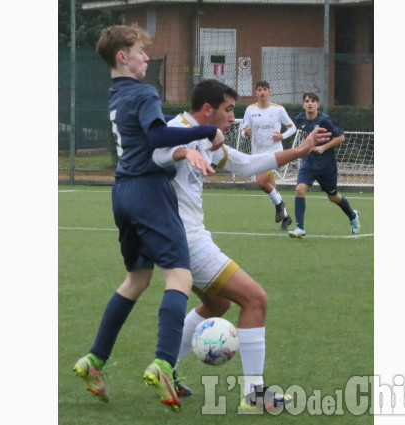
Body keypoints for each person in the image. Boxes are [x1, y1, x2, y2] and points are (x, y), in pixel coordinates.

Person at [151, 79, 331, 410]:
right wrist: (185, 150)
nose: (234, 117)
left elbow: (246, 164)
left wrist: (300, 150)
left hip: (182, 235)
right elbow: (156, 152)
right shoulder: (178, 128)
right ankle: (255, 393)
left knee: (217, 304)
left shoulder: (207, 137)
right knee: (255, 298)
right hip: (184, 237)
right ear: (208, 109)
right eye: (229, 109)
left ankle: (164, 367)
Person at [72, 25, 225, 412]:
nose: (145, 57)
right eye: (140, 50)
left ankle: (93, 359)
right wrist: (208, 131)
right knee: (180, 277)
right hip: (148, 192)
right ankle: (163, 363)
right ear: (122, 56)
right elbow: (157, 138)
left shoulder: (116, 94)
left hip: (122, 192)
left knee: (136, 280)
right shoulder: (143, 92)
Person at [288, 92, 360, 239]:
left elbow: (341, 137)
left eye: (313, 101)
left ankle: (353, 215)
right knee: (299, 189)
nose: (310, 103)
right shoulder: (300, 119)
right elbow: (305, 135)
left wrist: (323, 147)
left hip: (326, 166)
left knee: (333, 196)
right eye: (307, 101)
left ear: (317, 104)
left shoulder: (325, 120)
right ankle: (300, 228)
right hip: (308, 163)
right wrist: (302, 148)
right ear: (303, 104)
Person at [241, 80, 297, 231]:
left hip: (275, 153)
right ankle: (285, 216)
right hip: (258, 154)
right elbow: (243, 131)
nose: (262, 92)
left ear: (269, 92)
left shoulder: (278, 110)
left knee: (261, 181)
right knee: (270, 185)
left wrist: (282, 136)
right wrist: (245, 133)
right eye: (259, 90)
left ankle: (279, 206)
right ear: (256, 93)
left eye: (265, 89)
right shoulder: (250, 110)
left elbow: (292, 128)